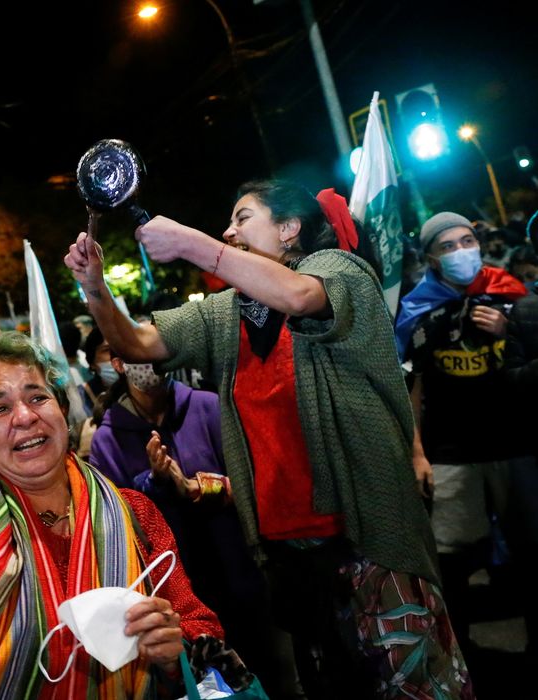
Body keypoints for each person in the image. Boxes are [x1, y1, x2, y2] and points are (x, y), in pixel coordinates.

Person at [66, 180, 470, 698]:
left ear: (288, 229)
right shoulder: (225, 312)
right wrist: (95, 287)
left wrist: (192, 244)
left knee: (413, 683)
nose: (228, 231)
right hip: (287, 550)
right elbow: (136, 343)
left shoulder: (339, 271)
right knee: (331, 685)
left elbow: (298, 296)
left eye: (243, 218)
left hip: (367, 535)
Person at [0, 190, 226, 698]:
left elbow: (199, 627)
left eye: (37, 396)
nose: (25, 416)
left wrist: (176, 648)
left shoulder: (137, 515)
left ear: (62, 408)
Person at [88, 345, 300, 697]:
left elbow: (251, 482)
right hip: (177, 594)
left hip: (240, 572)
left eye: (156, 351)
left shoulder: (207, 407)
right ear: (118, 365)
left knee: (273, 675)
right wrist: (153, 482)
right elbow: (116, 520)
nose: (152, 365)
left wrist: (195, 487)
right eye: (139, 355)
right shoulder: (107, 440)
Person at [396, 211, 532, 653]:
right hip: (452, 452)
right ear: (431, 258)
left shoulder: (509, 294)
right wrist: (417, 454)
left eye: (467, 241)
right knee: (453, 562)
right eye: (447, 247)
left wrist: (507, 327)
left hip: (515, 444)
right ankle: (463, 660)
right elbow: (410, 387)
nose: (461, 253)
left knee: (529, 550)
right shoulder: (417, 310)